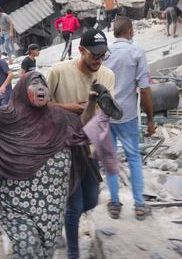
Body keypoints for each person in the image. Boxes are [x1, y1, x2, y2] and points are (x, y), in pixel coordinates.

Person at [0, 71, 112, 259]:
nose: (41, 87)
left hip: (51, 204)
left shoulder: (59, 116)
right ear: (21, 90)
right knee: (28, 247)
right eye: (34, 84)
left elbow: (80, 126)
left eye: (43, 85)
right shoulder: (7, 115)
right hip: (15, 202)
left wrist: (92, 103)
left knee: (44, 252)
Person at [47, 28, 115, 259]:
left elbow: (106, 114)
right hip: (63, 151)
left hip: (91, 150)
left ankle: (62, 217)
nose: (99, 60)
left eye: (103, 55)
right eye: (95, 55)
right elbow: (39, 106)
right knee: (74, 204)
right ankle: (73, 253)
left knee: (91, 199)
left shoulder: (107, 75)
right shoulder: (58, 72)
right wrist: (68, 108)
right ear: (81, 51)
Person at [103, 17, 156, 221]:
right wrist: (150, 119)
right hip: (127, 116)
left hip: (106, 115)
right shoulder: (137, 52)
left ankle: (115, 204)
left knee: (110, 159)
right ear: (130, 30)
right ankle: (139, 206)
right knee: (134, 159)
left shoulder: (105, 52)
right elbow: (144, 89)